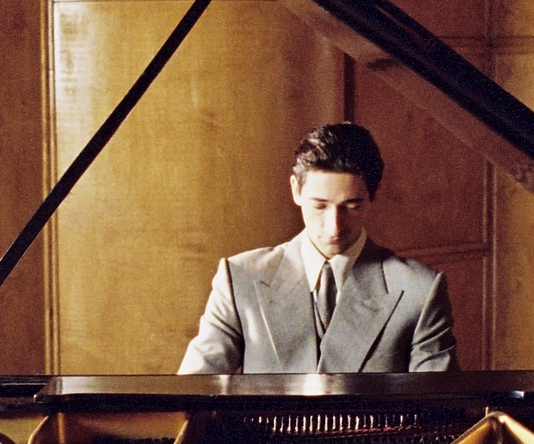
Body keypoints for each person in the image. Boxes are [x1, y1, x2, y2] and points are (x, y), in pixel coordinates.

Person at [179, 123, 455, 373]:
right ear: (295, 190)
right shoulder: (239, 278)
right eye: (319, 206)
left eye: (351, 206)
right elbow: (193, 393)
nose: (334, 227)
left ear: (375, 193)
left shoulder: (420, 290)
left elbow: (438, 410)